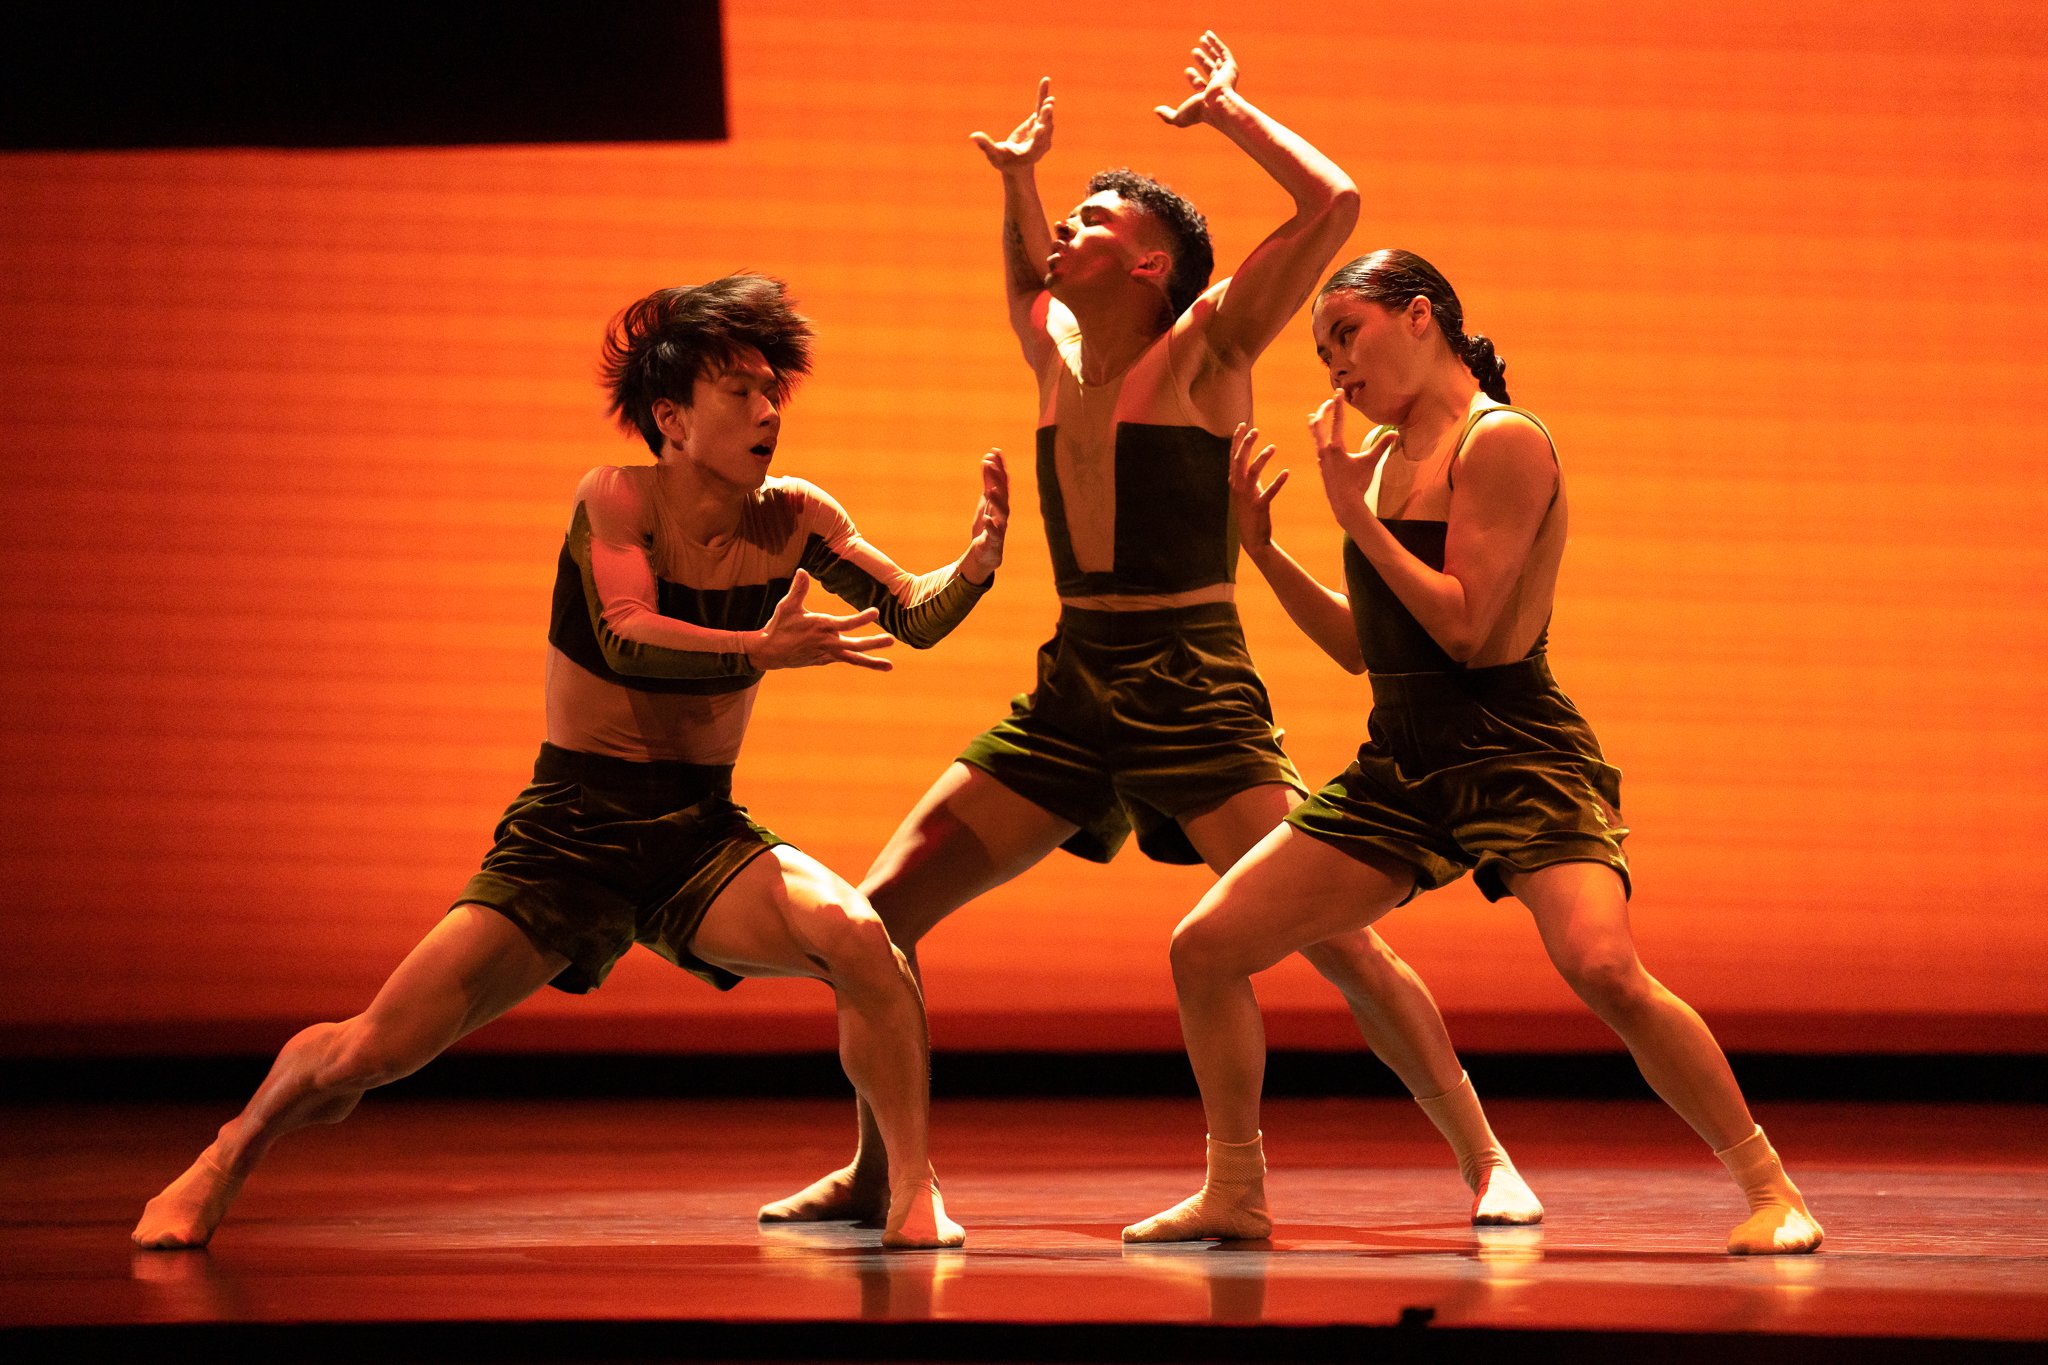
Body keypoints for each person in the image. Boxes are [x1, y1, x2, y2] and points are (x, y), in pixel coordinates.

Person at [762, 33, 1542, 1236]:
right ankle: (878, 1168)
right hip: (1072, 689)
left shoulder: (1206, 348)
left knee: (1335, 939)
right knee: (875, 920)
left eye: (1088, 218)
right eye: (1061, 220)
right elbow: (1028, 280)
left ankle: (1483, 1156)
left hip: (1191, 686)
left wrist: (1228, 113)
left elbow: (1332, 203)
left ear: (1150, 261)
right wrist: (1018, 184)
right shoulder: (1057, 349)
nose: (1061, 235)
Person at [131, 274, 1008, 1252]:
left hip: (697, 836)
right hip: (572, 831)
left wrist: (970, 570)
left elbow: (909, 615)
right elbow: (627, 633)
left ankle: (907, 1191)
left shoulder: (795, 515)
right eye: (738, 391)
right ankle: (230, 1148)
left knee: (859, 939)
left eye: (772, 391)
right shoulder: (616, 499)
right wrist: (754, 651)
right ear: (671, 417)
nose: (766, 412)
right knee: (369, 1055)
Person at [1126, 249, 1824, 1254]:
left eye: (1346, 337)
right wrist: (1265, 547)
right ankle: (1235, 1190)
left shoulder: (1500, 441)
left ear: (1419, 317)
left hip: (1513, 750)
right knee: (1203, 947)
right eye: (1322, 353)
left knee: (1603, 969)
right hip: (1400, 762)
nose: (1333, 368)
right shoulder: (1377, 455)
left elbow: (1463, 628)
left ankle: (1771, 1191)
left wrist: (1356, 519)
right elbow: (1362, 650)